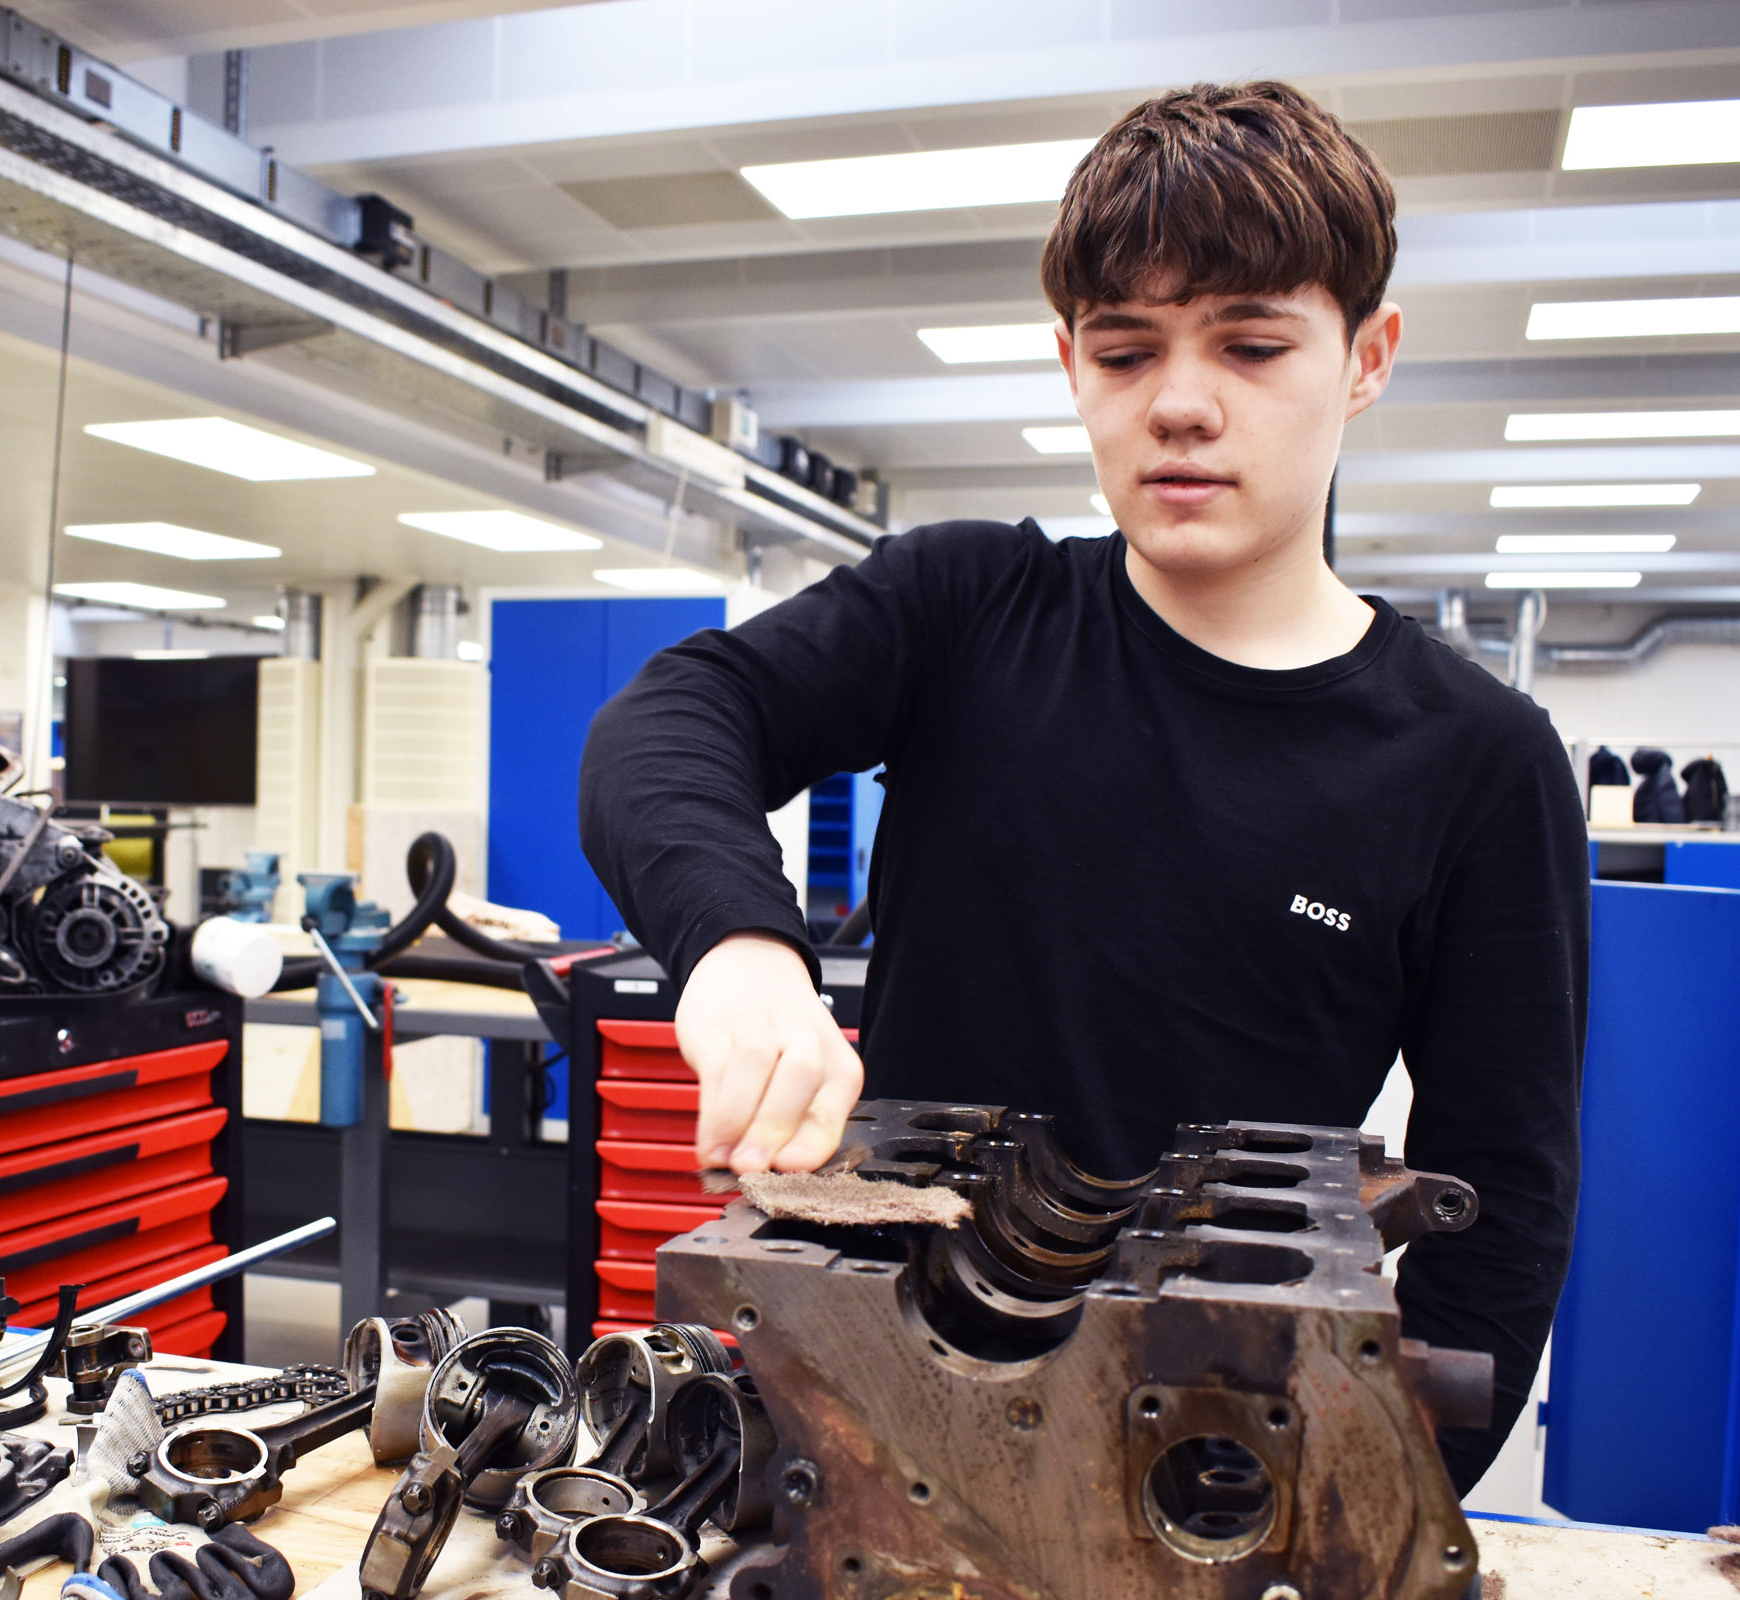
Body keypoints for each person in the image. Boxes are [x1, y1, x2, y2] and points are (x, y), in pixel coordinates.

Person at [579, 81, 1584, 1494]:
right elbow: (675, 717)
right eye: (1126, 352)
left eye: (1251, 343)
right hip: (862, 1422)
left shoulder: (1478, 759)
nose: (1180, 403)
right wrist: (743, 954)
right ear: (1069, 363)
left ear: (1368, 357)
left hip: (1210, 1466)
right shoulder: (969, 610)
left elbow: (1506, 1204)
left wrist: (1381, 1512)